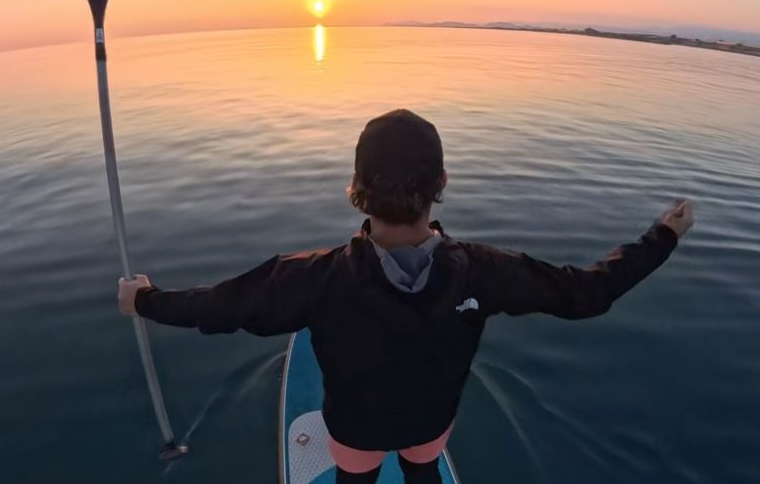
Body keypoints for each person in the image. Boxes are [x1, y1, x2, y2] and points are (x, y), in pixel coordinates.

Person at [118, 108, 694, 483]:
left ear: (357, 188)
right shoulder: (483, 272)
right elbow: (588, 293)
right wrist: (662, 235)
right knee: (423, 466)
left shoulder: (311, 279)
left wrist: (144, 300)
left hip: (354, 436)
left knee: (357, 472)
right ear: (441, 184)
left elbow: (218, 307)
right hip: (429, 430)